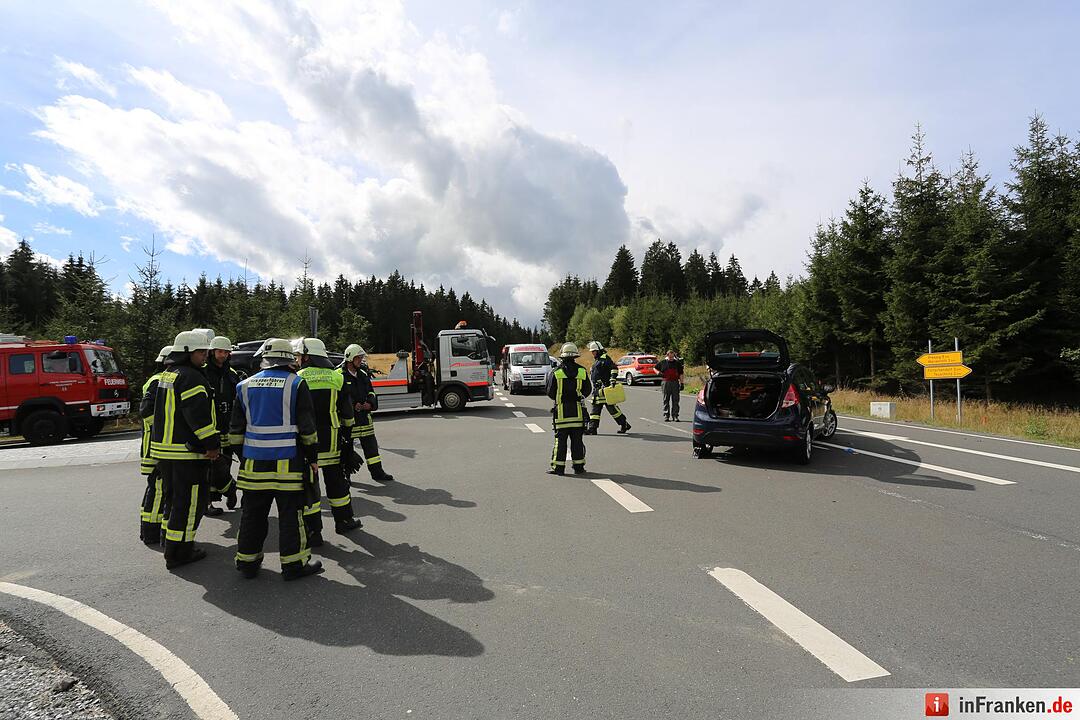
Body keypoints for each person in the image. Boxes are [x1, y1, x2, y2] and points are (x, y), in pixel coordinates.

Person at [228, 338, 324, 581]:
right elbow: (308, 429)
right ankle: (294, 565)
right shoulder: (297, 384)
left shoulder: (244, 386)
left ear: (265, 359)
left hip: (253, 465)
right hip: (288, 465)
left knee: (252, 515)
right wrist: (313, 458)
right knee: (291, 515)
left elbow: (235, 432)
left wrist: (244, 456)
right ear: (289, 360)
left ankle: (247, 563)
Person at [150, 331, 221, 570]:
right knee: (189, 504)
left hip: (165, 452)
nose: (204, 357)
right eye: (201, 352)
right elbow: (198, 418)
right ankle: (180, 552)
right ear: (188, 352)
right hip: (185, 453)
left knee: (174, 502)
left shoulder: (168, 375)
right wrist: (211, 445)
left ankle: (171, 544)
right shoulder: (191, 378)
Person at [295, 337, 363, 547]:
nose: (297, 359)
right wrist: (348, 441)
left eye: (298, 355)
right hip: (333, 442)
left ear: (307, 356)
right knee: (337, 483)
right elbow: (348, 415)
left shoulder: (297, 378)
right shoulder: (337, 378)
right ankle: (344, 521)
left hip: (308, 446)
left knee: (310, 488)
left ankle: (314, 533)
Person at [339, 344, 395, 483]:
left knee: (372, 450)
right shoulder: (339, 375)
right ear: (350, 358)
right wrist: (352, 405)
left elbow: (371, 392)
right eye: (359, 358)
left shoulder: (363, 374)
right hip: (348, 421)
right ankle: (346, 477)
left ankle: (378, 473)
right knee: (346, 450)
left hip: (364, 419)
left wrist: (370, 404)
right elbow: (337, 397)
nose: (361, 361)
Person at [204, 335, 242, 516]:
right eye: (220, 351)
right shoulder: (203, 373)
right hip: (209, 428)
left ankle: (229, 488)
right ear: (212, 352)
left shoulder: (232, 374)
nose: (223, 355)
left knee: (224, 466)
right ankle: (217, 497)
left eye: (226, 352)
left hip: (229, 427)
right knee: (210, 467)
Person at [138, 344, 172, 545]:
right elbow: (147, 412)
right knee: (158, 488)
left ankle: (149, 529)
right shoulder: (159, 381)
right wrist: (168, 427)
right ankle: (151, 532)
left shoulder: (156, 379)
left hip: (154, 443)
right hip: (157, 445)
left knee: (155, 487)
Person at [546, 343, 592, 475]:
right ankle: (579, 467)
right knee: (577, 441)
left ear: (562, 356)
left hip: (561, 414)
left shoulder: (556, 373)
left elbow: (550, 392)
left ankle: (558, 468)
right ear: (575, 356)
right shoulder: (582, 371)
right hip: (577, 413)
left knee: (560, 442)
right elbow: (587, 390)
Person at [585, 341, 631, 435]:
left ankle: (624, 424)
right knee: (595, 410)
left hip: (605, 389)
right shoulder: (598, 360)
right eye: (592, 351)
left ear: (599, 350)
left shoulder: (605, 359)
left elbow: (614, 368)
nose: (592, 353)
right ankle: (593, 428)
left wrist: (613, 379)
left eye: (594, 351)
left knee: (613, 410)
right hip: (598, 390)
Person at [656, 349, 685, 421]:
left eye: (672, 357)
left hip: (675, 382)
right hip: (666, 382)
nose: (671, 358)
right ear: (667, 356)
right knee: (666, 399)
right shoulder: (663, 363)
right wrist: (658, 373)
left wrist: (682, 383)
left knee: (676, 400)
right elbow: (655, 368)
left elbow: (681, 374)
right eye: (670, 357)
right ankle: (666, 415)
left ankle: (675, 416)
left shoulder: (677, 363)